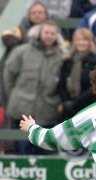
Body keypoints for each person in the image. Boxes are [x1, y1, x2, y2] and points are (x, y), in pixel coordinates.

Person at [3, 20, 64, 155]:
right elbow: (9, 74)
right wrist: (14, 95)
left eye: (52, 33)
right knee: (21, 151)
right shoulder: (22, 51)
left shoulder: (61, 57)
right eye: (46, 32)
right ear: (40, 33)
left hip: (47, 112)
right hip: (21, 111)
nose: (49, 36)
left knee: (43, 151)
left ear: (57, 36)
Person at [58, 28, 96, 119]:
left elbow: (94, 87)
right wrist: (66, 103)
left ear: (90, 42)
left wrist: (75, 103)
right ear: (74, 42)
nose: (81, 43)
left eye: (85, 40)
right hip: (68, 109)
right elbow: (61, 84)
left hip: (87, 108)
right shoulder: (67, 61)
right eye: (78, 40)